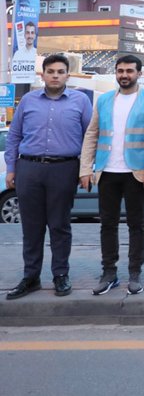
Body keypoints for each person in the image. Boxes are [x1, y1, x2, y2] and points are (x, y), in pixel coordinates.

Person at [4, 55, 93, 300]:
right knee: (31, 227)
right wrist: (11, 169)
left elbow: (90, 137)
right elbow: (13, 137)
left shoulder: (81, 101)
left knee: (59, 226)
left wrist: (86, 169)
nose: (55, 75)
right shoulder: (28, 101)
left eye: (60, 71)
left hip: (64, 169)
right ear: (42, 74)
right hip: (29, 169)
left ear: (67, 75)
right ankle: (30, 277)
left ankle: (60, 275)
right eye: (50, 71)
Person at [79, 54, 144, 295]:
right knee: (107, 224)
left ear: (139, 74)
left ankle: (135, 273)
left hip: (136, 173)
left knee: (136, 224)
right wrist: (86, 168)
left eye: (129, 71)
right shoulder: (105, 100)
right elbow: (92, 134)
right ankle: (109, 272)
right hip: (107, 171)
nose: (124, 75)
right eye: (120, 71)